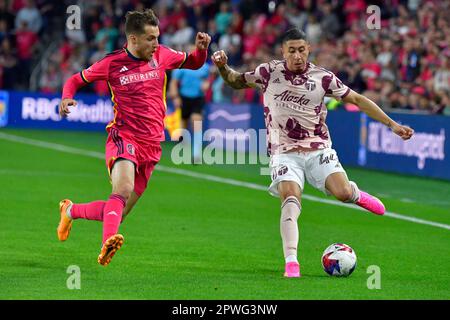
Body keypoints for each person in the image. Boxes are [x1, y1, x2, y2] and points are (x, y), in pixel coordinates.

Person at [211, 28, 414, 278]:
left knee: (341, 192)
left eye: (302, 50)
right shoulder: (268, 72)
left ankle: (355, 193)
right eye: (292, 51)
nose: (297, 55)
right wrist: (222, 66)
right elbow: (235, 80)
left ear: (308, 49)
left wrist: (392, 124)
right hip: (283, 152)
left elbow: (359, 100)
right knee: (290, 200)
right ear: (283, 52)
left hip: (318, 148)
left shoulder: (323, 77)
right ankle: (291, 262)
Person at [57, 9, 211, 266]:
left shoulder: (163, 55)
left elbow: (194, 62)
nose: (156, 43)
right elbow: (75, 80)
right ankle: (107, 243)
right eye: (150, 38)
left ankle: (70, 210)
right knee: (123, 189)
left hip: (152, 145)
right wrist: (65, 97)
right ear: (133, 39)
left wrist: (202, 50)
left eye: (157, 37)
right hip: (123, 135)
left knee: (118, 211)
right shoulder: (112, 63)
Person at [169, 45, 210, 163]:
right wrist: (175, 97)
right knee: (183, 126)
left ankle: (196, 153)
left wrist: (206, 85)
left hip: (198, 98)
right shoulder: (182, 66)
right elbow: (174, 82)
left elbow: (207, 81)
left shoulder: (205, 67)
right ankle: (184, 149)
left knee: (196, 121)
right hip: (184, 97)